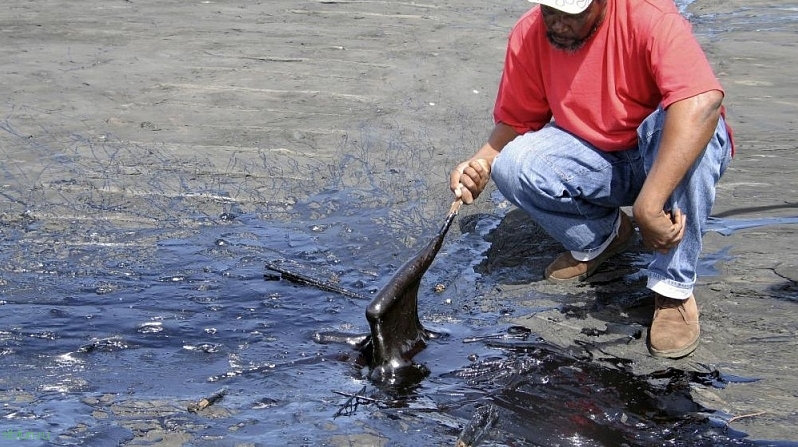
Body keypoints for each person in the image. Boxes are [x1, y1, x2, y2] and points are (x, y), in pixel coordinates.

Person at [449, 0, 734, 359]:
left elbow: (703, 101)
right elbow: (517, 122)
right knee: (513, 164)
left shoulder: (649, 16)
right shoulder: (529, 32)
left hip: (662, 156)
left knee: (697, 134)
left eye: (572, 14)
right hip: (598, 158)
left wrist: (649, 205)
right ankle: (606, 236)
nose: (557, 24)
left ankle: (673, 289)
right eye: (549, 11)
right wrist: (479, 164)